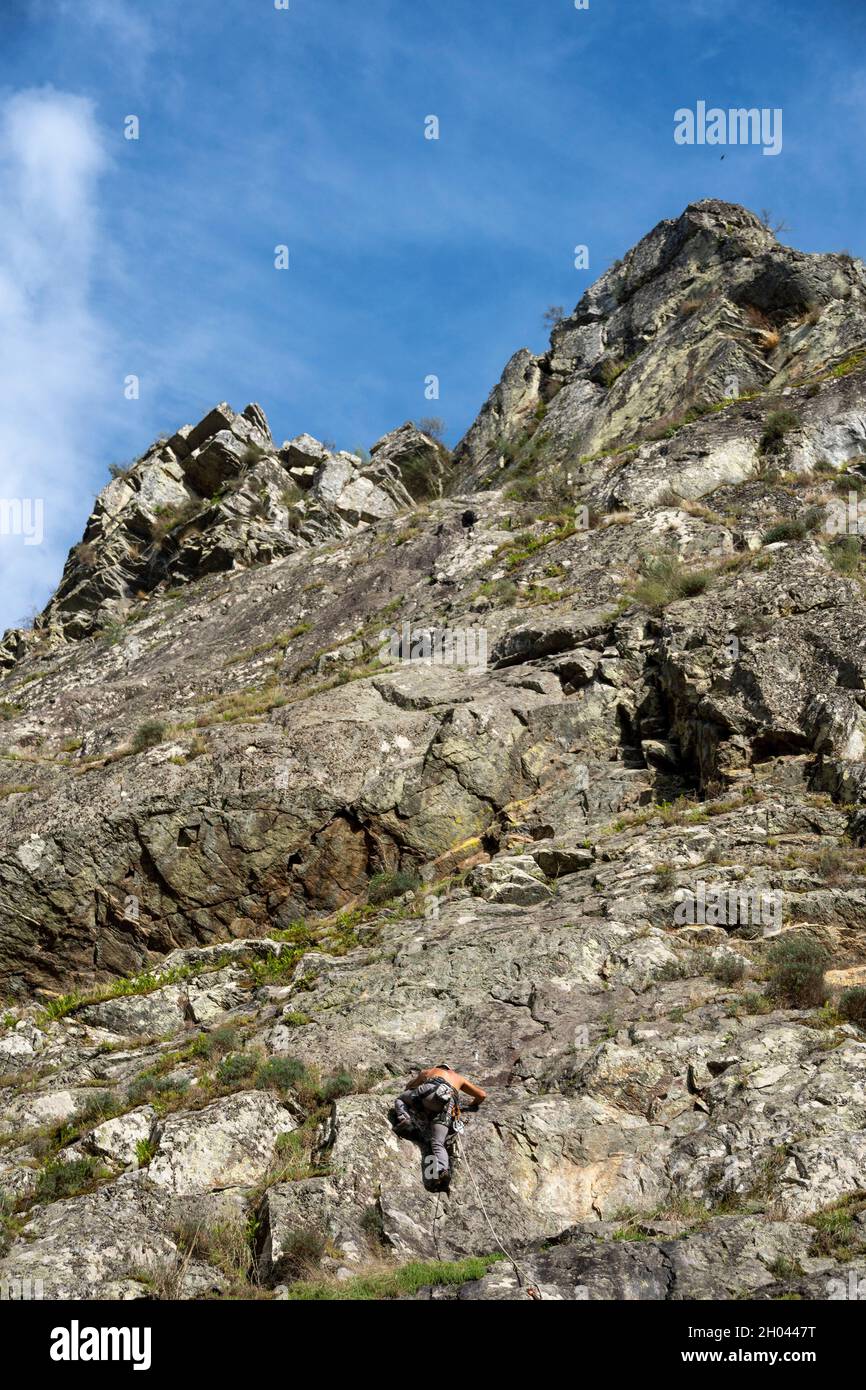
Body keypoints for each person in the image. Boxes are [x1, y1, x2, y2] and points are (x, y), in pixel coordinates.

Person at [393, 1063, 487, 1187]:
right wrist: (471, 1104)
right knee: (438, 1142)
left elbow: (410, 1086)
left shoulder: (430, 1071)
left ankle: (405, 1119)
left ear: (439, 1068)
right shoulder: (458, 1078)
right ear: (450, 1069)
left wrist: (411, 1091)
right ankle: (442, 1170)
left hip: (427, 1092)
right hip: (447, 1103)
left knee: (400, 1099)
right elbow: (482, 1095)